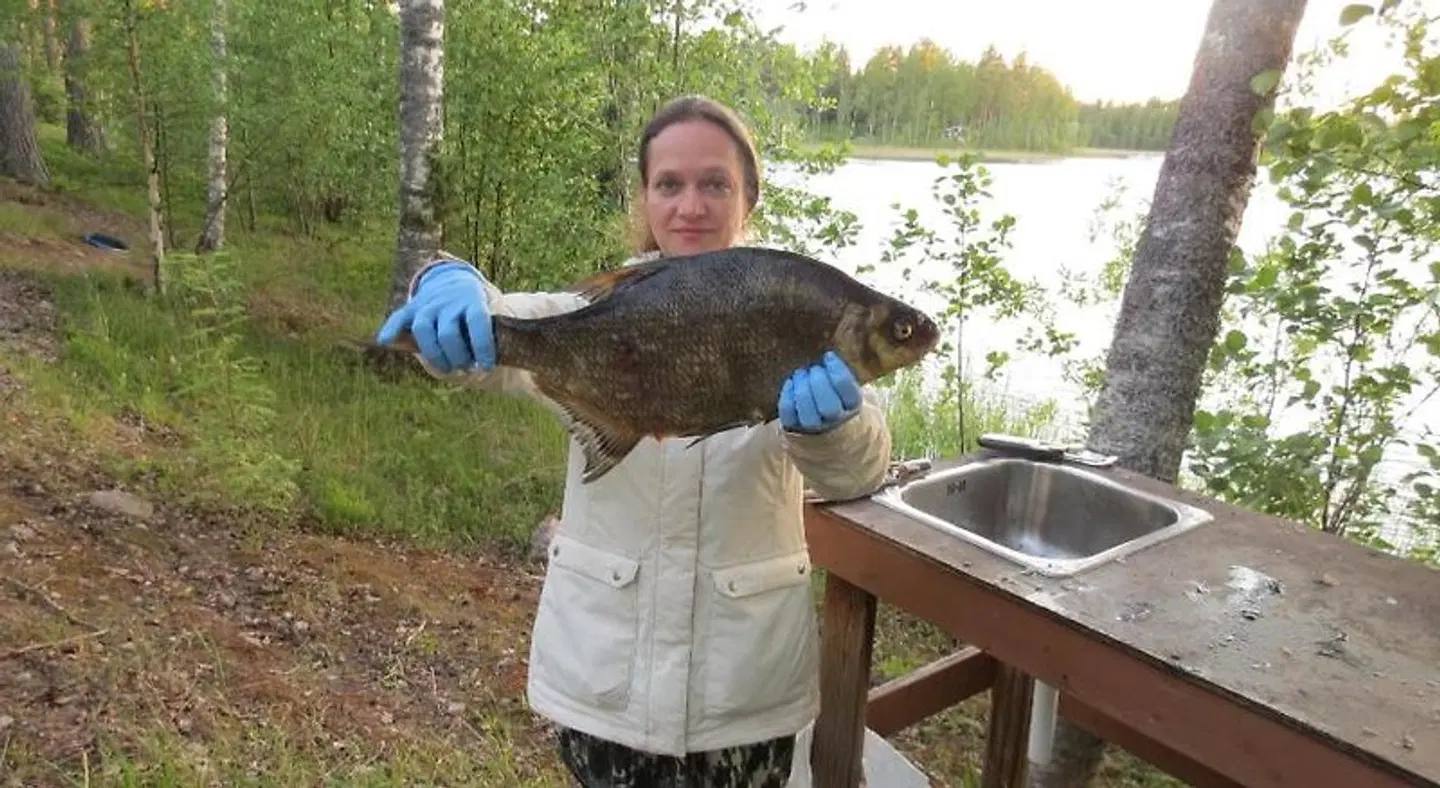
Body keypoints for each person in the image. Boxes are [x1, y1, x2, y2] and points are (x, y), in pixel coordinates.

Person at [376, 95, 893, 787]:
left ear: (749, 198)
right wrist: (447, 279)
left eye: (715, 183)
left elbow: (861, 471)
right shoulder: (599, 309)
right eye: (669, 184)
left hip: (743, 691)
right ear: (645, 198)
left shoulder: (796, 305)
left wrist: (836, 428)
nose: (691, 206)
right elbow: (496, 330)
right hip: (607, 679)